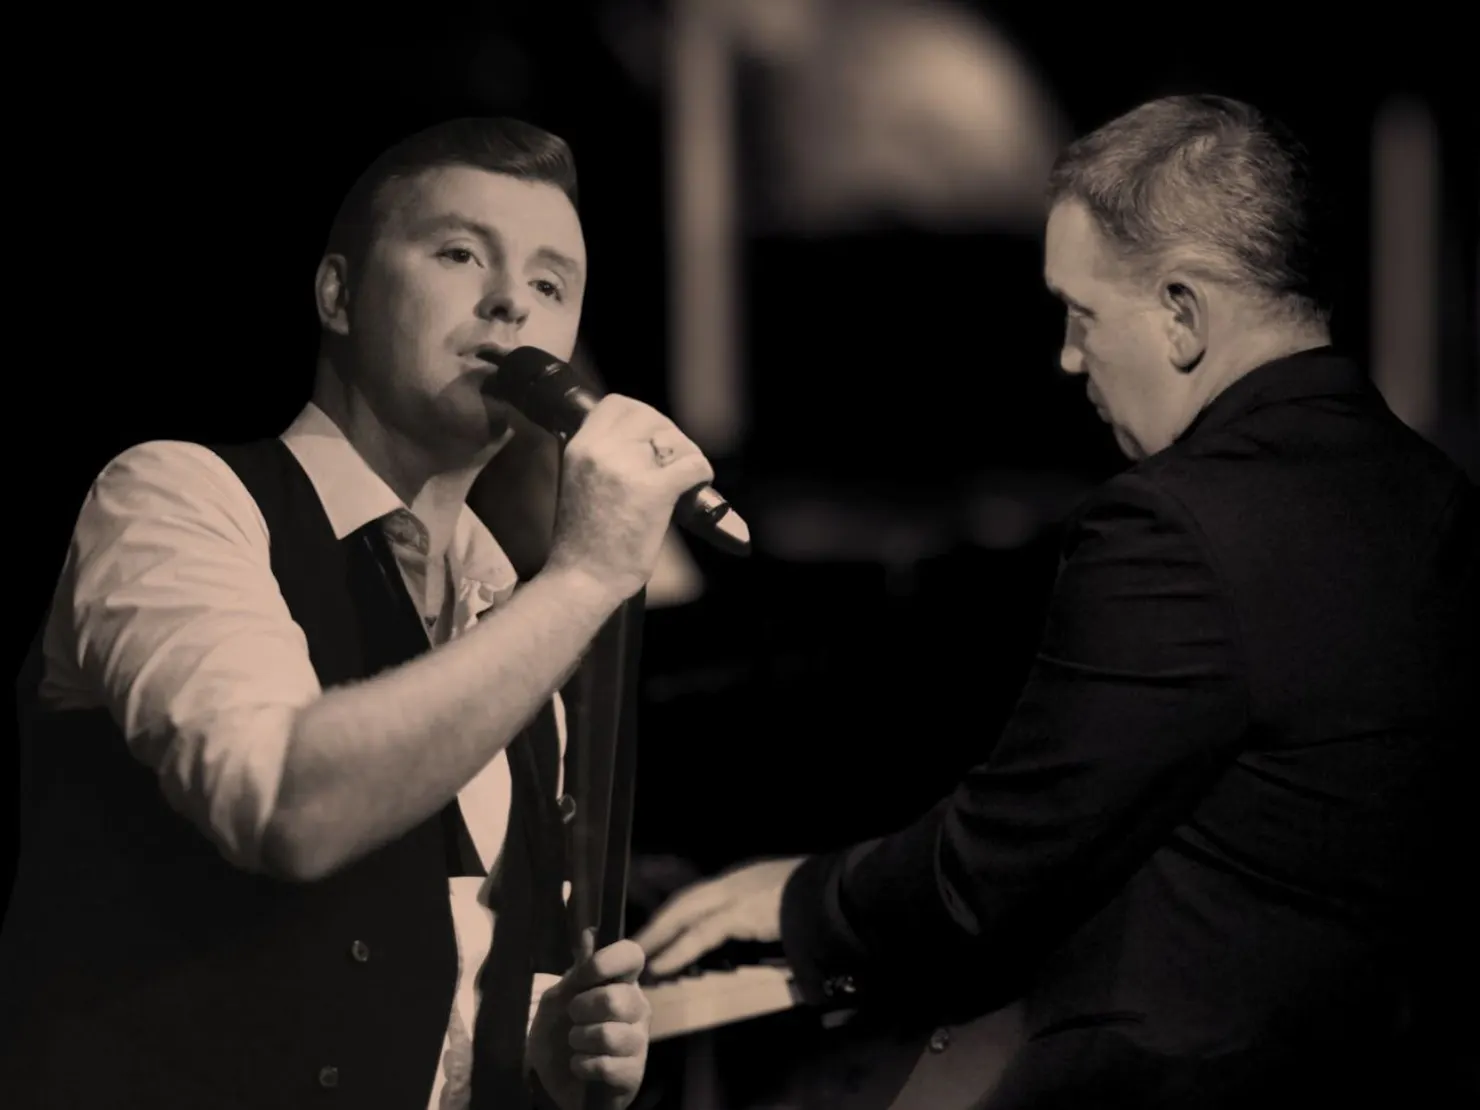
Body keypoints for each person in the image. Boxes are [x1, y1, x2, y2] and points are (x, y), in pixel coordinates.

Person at [635, 94, 1480, 1107]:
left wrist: (798, 899)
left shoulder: (1173, 526)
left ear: (1181, 313)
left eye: (1082, 314)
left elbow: (991, 870)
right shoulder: (1434, 496)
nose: (1068, 357)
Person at [1, 117, 715, 1110]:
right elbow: (283, 808)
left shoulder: (511, 622)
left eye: (551, 286)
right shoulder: (173, 497)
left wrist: (537, 1052)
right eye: (460, 253)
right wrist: (587, 573)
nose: (512, 300)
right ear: (337, 293)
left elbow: (431, 985)